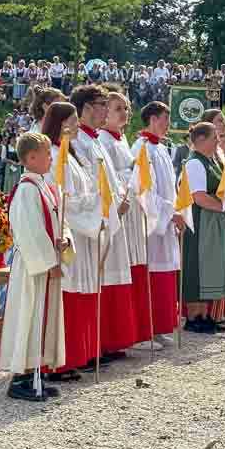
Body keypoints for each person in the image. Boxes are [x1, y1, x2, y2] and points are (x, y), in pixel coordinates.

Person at [0, 132, 69, 401]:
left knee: (42, 319)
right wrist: (49, 263)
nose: (51, 158)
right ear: (31, 157)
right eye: (47, 153)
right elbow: (29, 232)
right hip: (32, 269)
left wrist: (64, 239)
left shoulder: (43, 187)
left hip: (45, 266)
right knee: (29, 316)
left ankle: (36, 371)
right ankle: (21, 377)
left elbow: (56, 222)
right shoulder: (26, 189)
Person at [70, 85, 136, 361]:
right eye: (101, 105)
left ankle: (104, 341)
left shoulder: (94, 139)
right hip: (90, 221)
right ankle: (90, 346)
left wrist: (119, 199)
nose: (105, 111)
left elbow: (108, 178)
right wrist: (105, 208)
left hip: (109, 215)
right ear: (86, 108)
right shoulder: (77, 142)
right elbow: (86, 183)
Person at [40, 102, 99, 381]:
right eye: (73, 120)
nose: (77, 125)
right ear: (60, 124)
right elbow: (61, 200)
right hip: (69, 233)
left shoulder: (71, 154)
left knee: (79, 294)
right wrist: (93, 202)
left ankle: (74, 355)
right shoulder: (53, 155)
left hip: (82, 231)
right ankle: (58, 362)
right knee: (67, 295)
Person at [98, 91, 153, 350]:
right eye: (118, 108)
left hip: (131, 210)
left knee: (135, 265)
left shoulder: (121, 140)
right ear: (105, 111)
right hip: (120, 209)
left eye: (127, 108)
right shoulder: (104, 140)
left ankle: (136, 330)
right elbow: (107, 178)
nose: (124, 113)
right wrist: (130, 177)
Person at [131, 101, 184, 345]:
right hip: (150, 223)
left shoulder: (161, 149)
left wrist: (176, 210)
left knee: (164, 275)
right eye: (164, 118)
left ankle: (160, 326)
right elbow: (144, 189)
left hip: (166, 220)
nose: (168, 124)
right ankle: (146, 328)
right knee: (151, 274)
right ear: (152, 118)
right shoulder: (142, 148)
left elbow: (169, 187)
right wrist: (167, 212)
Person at [182, 121, 225, 334]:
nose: (218, 142)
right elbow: (199, 197)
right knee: (198, 264)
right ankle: (194, 316)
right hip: (200, 220)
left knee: (208, 264)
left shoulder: (209, 161)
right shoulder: (195, 163)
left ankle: (204, 314)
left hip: (211, 220)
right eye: (214, 138)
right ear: (201, 140)